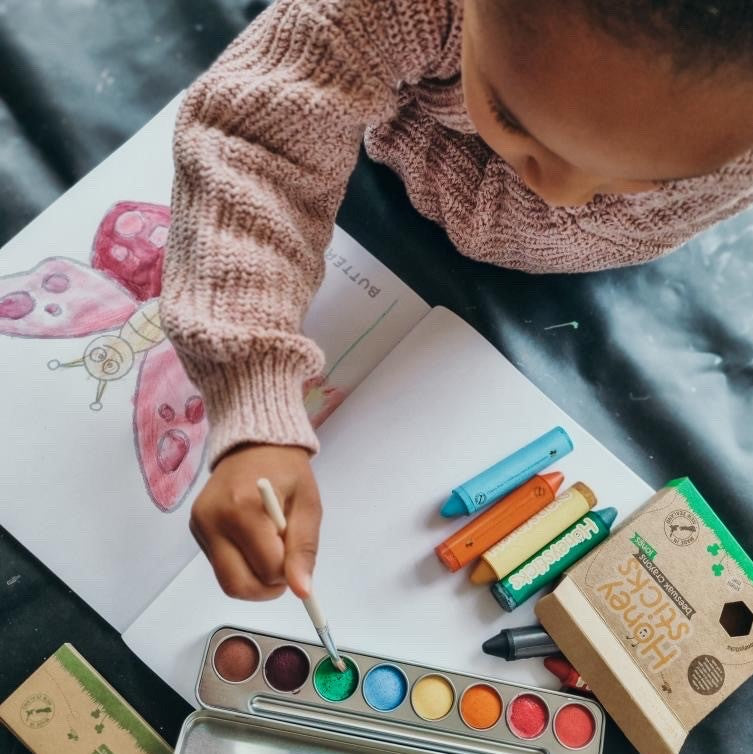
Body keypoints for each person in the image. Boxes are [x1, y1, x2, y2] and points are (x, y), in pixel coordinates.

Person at [161, 0, 753, 602]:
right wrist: (253, 397)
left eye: (643, 179)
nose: (561, 193)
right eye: (512, 117)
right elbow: (258, 150)